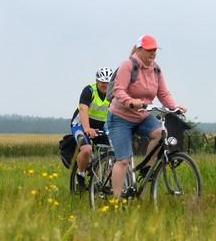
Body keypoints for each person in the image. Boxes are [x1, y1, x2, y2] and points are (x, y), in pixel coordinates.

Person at [107, 34, 187, 198]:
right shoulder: (128, 65)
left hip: (142, 116)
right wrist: (130, 101)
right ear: (139, 50)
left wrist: (175, 107)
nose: (153, 53)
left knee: (160, 133)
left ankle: (146, 169)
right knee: (123, 161)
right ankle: (116, 200)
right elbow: (118, 90)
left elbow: (163, 93)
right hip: (121, 118)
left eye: (155, 50)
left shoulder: (156, 70)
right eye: (149, 50)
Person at [70, 67, 113, 189]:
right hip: (80, 124)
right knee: (87, 149)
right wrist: (87, 129)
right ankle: (80, 175)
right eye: (102, 82)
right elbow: (83, 109)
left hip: (100, 126)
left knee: (111, 153)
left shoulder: (113, 94)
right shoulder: (89, 90)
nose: (105, 85)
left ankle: (106, 180)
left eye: (108, 83)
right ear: (97, 81)